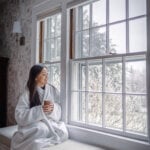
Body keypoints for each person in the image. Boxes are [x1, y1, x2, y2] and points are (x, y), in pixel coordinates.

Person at [11, 64, 68, 150]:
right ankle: (36, 143)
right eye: (44, 74)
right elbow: (19, 115)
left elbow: (59, 108)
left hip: (49, 121)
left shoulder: (52, 90)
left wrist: (53, 109)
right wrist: (39, 110)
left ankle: (41, 141)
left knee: (63, 132)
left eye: (47, 74)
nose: (46, 77)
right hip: (33, 124)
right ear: (35, 77)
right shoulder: (27, 93)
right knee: (41, 129)